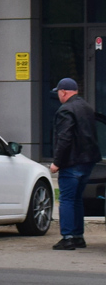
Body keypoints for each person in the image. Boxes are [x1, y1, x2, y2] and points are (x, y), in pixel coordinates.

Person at [49, 77, 101, 250]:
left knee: (67, 199)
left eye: (59, 93)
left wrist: (57, 162)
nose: (58, 96)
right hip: (88, 161)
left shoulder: (65, 110)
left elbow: (64, 138)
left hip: (72, 162)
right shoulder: (86, 107)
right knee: (77, 199)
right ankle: (78, 236)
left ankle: (68, 237)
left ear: (63, 92)